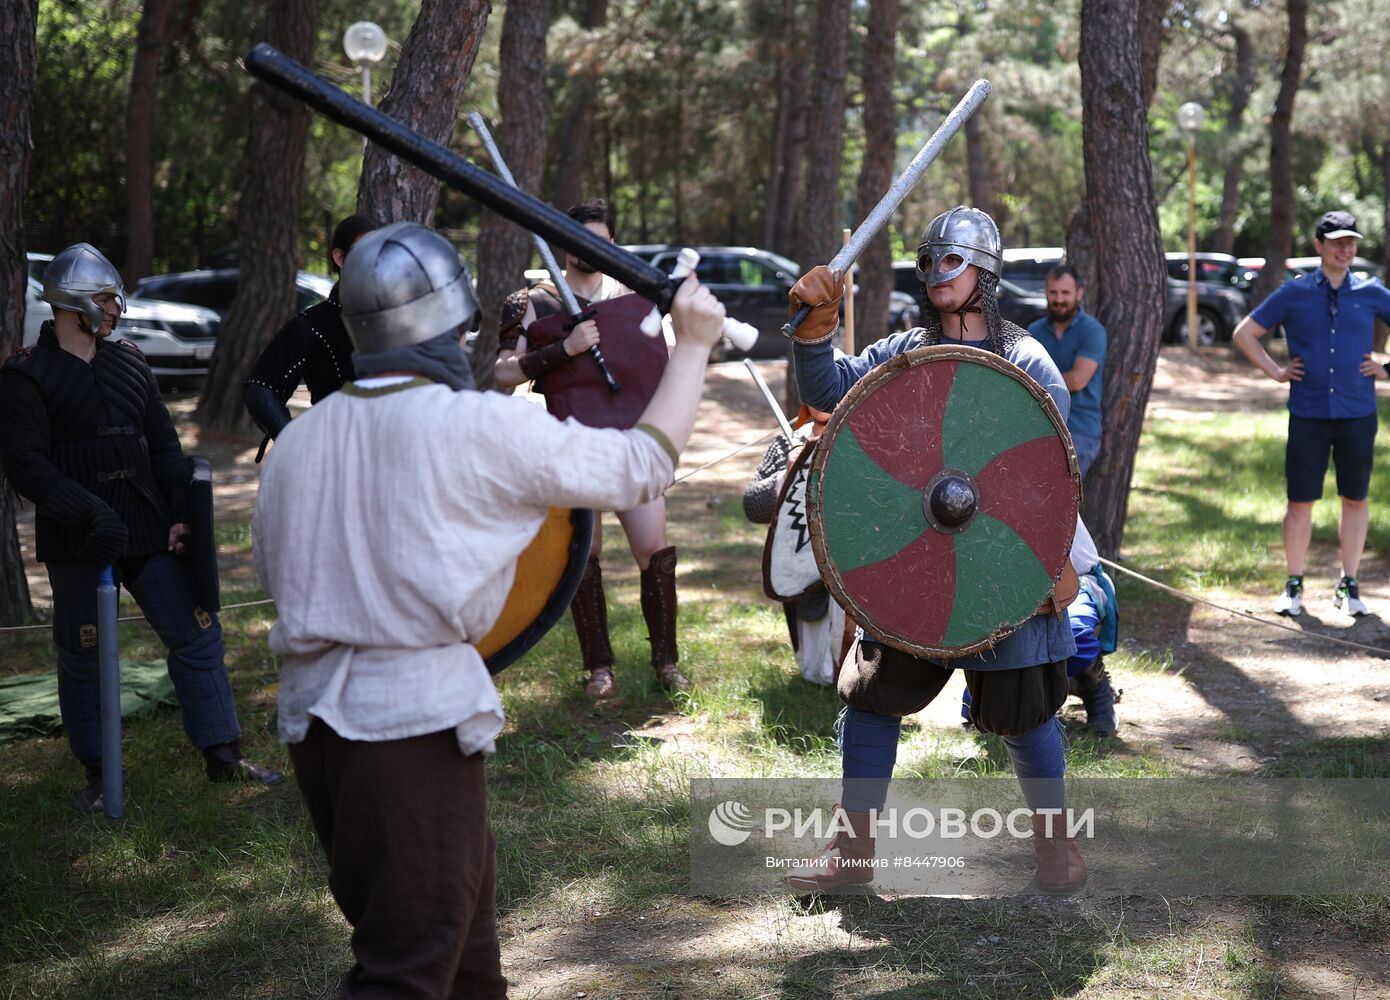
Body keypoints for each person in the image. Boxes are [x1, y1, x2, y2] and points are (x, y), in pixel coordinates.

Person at [253, 222, 726, 998]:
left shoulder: (297, 446)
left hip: (317, 729)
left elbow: (277, 573)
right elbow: (643, 466)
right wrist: (696, 343)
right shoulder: (477, 426)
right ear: (453, 319)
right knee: (405, 971)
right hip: (409, 729)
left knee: (468, 957)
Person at [782, 206, 1086, 893]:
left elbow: (1047, 473)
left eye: (952, 261)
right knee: (871, 698)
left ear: (985, 270)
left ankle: (1057, 855)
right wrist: (814, 332)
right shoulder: (903, 352)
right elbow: (830, 393)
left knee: (1026, 712)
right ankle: (852, 857)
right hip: (917, 557)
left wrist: (1034, 566)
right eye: (930, 262)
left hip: (1004, 559)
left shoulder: (1027, 359)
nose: (937, 275)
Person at [0, 244, 282, 813]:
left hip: (147, 525)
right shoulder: (25, 375)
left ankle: (223, 757)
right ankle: (99, 774)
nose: (114, 309)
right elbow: (27, 465)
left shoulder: (129, 359)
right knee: (84, 653)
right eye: (104, 299)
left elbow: (163, 445)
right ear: (73, 302)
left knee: (197, 635)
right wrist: (88, 514)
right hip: (78, 538)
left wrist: (181, 515)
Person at [495, 199, 685, 698]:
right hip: (573, 448)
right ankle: (599, 668)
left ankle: (667, 664)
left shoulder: (637, 293)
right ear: (563, 241)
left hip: (632, 445)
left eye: (603, 240)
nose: (593, 249)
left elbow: (663, 365)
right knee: (587, 557)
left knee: (656, 553)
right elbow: (500, 375)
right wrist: (564, 349)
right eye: (583, 240)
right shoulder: (533, 301)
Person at [1232, 210, 1390, 617]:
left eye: (1351, 241)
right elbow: (1245, 334)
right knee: (1300, 501)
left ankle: (1349, 582)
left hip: (1358, 412)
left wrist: (1386, 369)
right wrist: (1277, 372)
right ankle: (1294, 584)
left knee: (1354, 498)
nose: (1345, 249)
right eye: (1336, 242)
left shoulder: (1372, 291)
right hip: (1308, 412)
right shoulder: (1293, 292)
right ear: (1319, 246)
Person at [243, 214, 377, 441]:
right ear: (340, 257)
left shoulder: (398, 314)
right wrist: (293, 443)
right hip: (336, 452)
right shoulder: (314, 322)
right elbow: (261, 390)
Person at [743, 405, 839, 685]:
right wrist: (788, 476)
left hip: (858, 564)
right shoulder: (791, 439)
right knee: (819, 672)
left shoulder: (867, 429)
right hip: (808, 571)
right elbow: (753, 505)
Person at [1028, 264, 1107, 477]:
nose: (1059, 299)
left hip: (1080, 431)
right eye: (1053, 292)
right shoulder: (1034, 331)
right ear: (1046, 293)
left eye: (1065, 293)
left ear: (1079, 294)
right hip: (1040, 427)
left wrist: (1034, 383)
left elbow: (1077, 381)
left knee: (1058, 501)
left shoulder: (1092, 331)